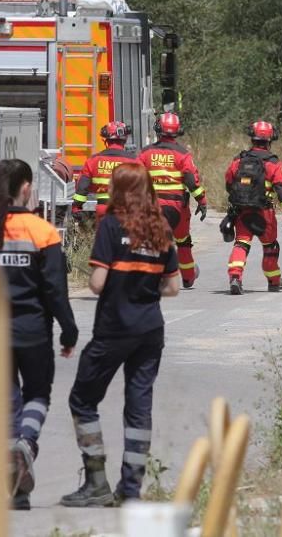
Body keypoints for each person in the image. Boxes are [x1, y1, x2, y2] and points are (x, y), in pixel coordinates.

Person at [0, 158, 79, 511]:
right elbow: (55, 290)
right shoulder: (43, 232)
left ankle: (16, 482)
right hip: (33, 333)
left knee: (6, 405)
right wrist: (68, 330)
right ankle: (25, 447)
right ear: (26, 188)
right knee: (38, 395)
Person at [62, 162, 181, 507]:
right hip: (150, 331)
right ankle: (130, 489)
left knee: (83, 400)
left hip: (114, 329)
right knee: (139, 408)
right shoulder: (161, 228)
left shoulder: (112, 226)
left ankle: (96, 480)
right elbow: (173, 287)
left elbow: (97, 284)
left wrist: (112, 276)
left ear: (119, 191)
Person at [224, 121, 282, 295]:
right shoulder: (273, 164)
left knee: (241, 243)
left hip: (243, 211)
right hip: (265, 214)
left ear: (252, 138)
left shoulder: (238, 160)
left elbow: (228, 182)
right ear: (270, 140)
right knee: (270, 247)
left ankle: (235, 277)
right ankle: (274, 281)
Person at [139, 112, 208, 288]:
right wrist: (202, 201)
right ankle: (188, 277)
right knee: (183, 242)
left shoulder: (146, 153)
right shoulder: (183, 154)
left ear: (158, 129)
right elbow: (191, 181)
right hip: (178, 207)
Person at [71, 121, 141, 221]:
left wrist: (76, 207)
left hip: (103, 210)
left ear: (106, 140)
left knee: (104, 236)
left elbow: (82, 188)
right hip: (127, 211)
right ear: (125, 139)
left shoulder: (93, 161)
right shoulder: (135, 161)